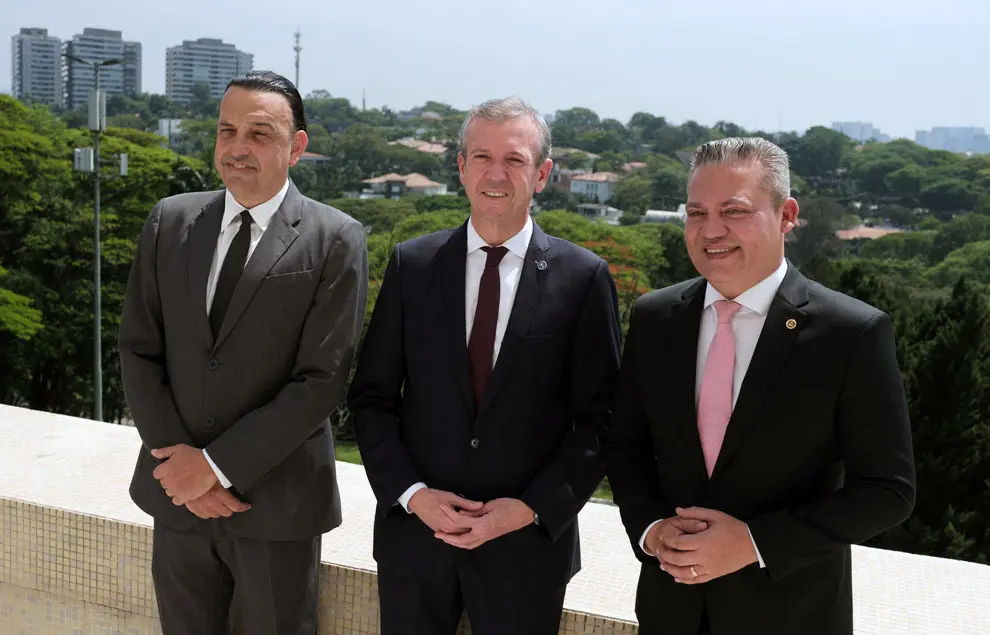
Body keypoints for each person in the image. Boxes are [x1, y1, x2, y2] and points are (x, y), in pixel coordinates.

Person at [605, 137, 916, 635]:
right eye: (696, 212)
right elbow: (625, 446)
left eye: (734, 211)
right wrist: (651, 530)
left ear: (787, 215)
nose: (711, 231)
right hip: (670, 611)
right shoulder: (656, 318)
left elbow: (887, 490)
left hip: (791, 614)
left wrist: (753, 542)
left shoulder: (850, 333)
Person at [346, 96, 622, 635]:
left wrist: (528, 509)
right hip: (415, 543)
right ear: (461, 167)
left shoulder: (583, 278)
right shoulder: (412, 265)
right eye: (481, 157)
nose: (496, 174)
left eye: (515, 160)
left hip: (526, 550)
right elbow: (372, 398)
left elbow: (602, 420)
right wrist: (412, 496)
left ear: (542, 173)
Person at [118, 70, 368, 634]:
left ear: (296, 146)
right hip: (177, 501)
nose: (237, 147)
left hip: (275, 507)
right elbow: (138, 349)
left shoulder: (336, 238)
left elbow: (321, 381)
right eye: (226, 130)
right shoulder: (170, 221)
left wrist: (213, 468)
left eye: (259, 133)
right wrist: (179, 465)